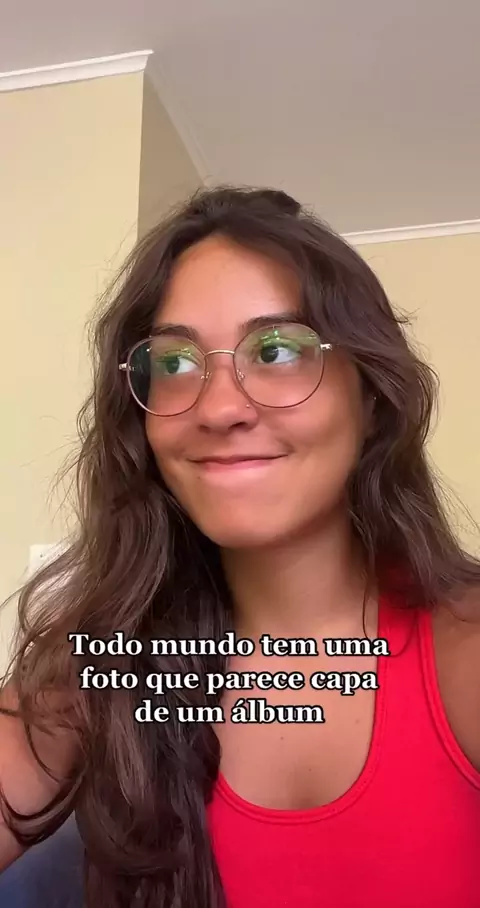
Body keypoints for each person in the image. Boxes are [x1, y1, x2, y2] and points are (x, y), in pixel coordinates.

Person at [1, 185, 480, 908]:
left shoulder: (463, 650)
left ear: (371, 398)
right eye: (173, 363)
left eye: (278, 350)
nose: (220, 407)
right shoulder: (105, 669)